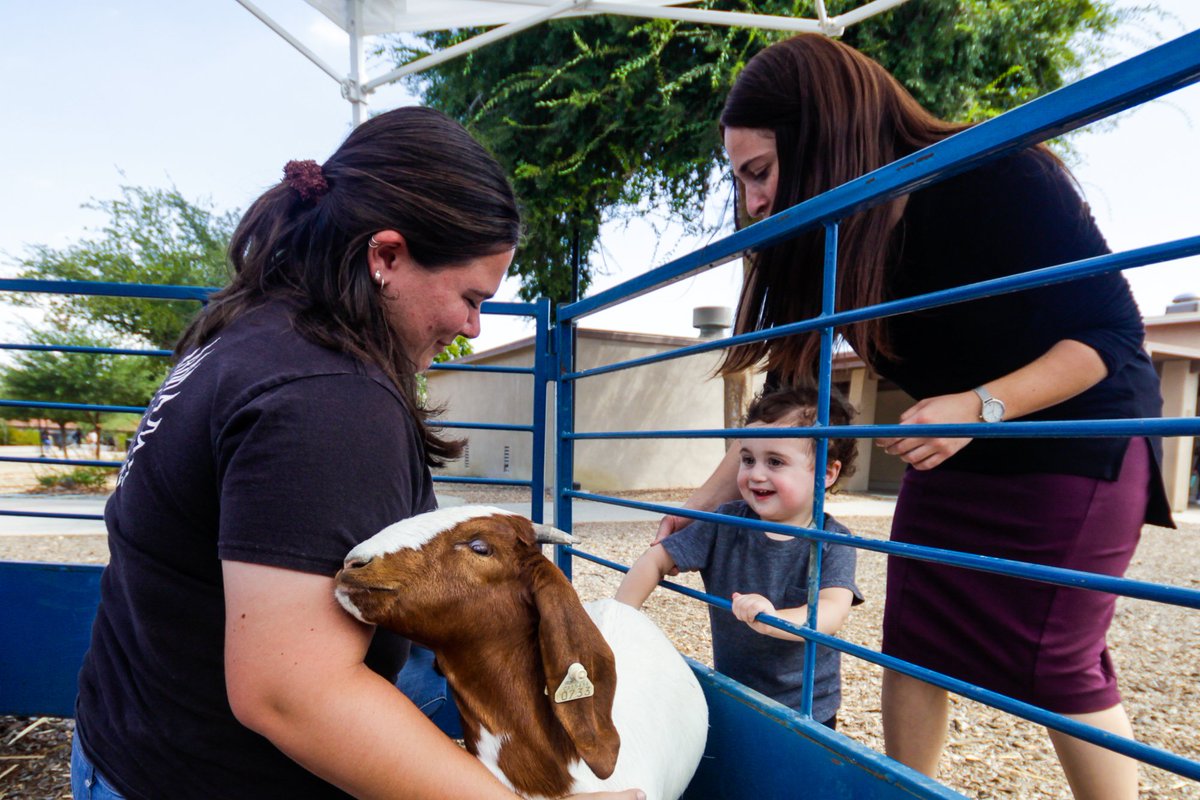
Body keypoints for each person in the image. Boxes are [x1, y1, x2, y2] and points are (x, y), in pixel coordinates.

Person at [71, 106, 644, 800]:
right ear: (387, 256)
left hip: (128, 744)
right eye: (469, 297)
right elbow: (292, 693)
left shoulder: (240, 335)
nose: (472, 326)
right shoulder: (327, 398)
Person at [656, 34, 1172, 800]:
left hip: (1071, 441)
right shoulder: (835, 239)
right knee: (915, 643)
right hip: (948, 453)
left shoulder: (999, 173)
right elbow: (784, 403)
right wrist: (694, 508)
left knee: (1054, 658)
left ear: (822, 137)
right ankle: (908, 793)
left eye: (760, 172)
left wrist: (978, 407)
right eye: (743, 181)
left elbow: (1110, 337)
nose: (754, 202)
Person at [618, 385, 863, 729]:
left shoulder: (833, 542)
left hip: (808, 708)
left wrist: (773, 618)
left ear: (826, 473)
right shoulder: (725, 522)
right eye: (748, 459)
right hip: (735, 689)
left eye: (775, 461)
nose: (755, 474)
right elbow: (655, 559)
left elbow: (831, 612)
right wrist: (618, 619)